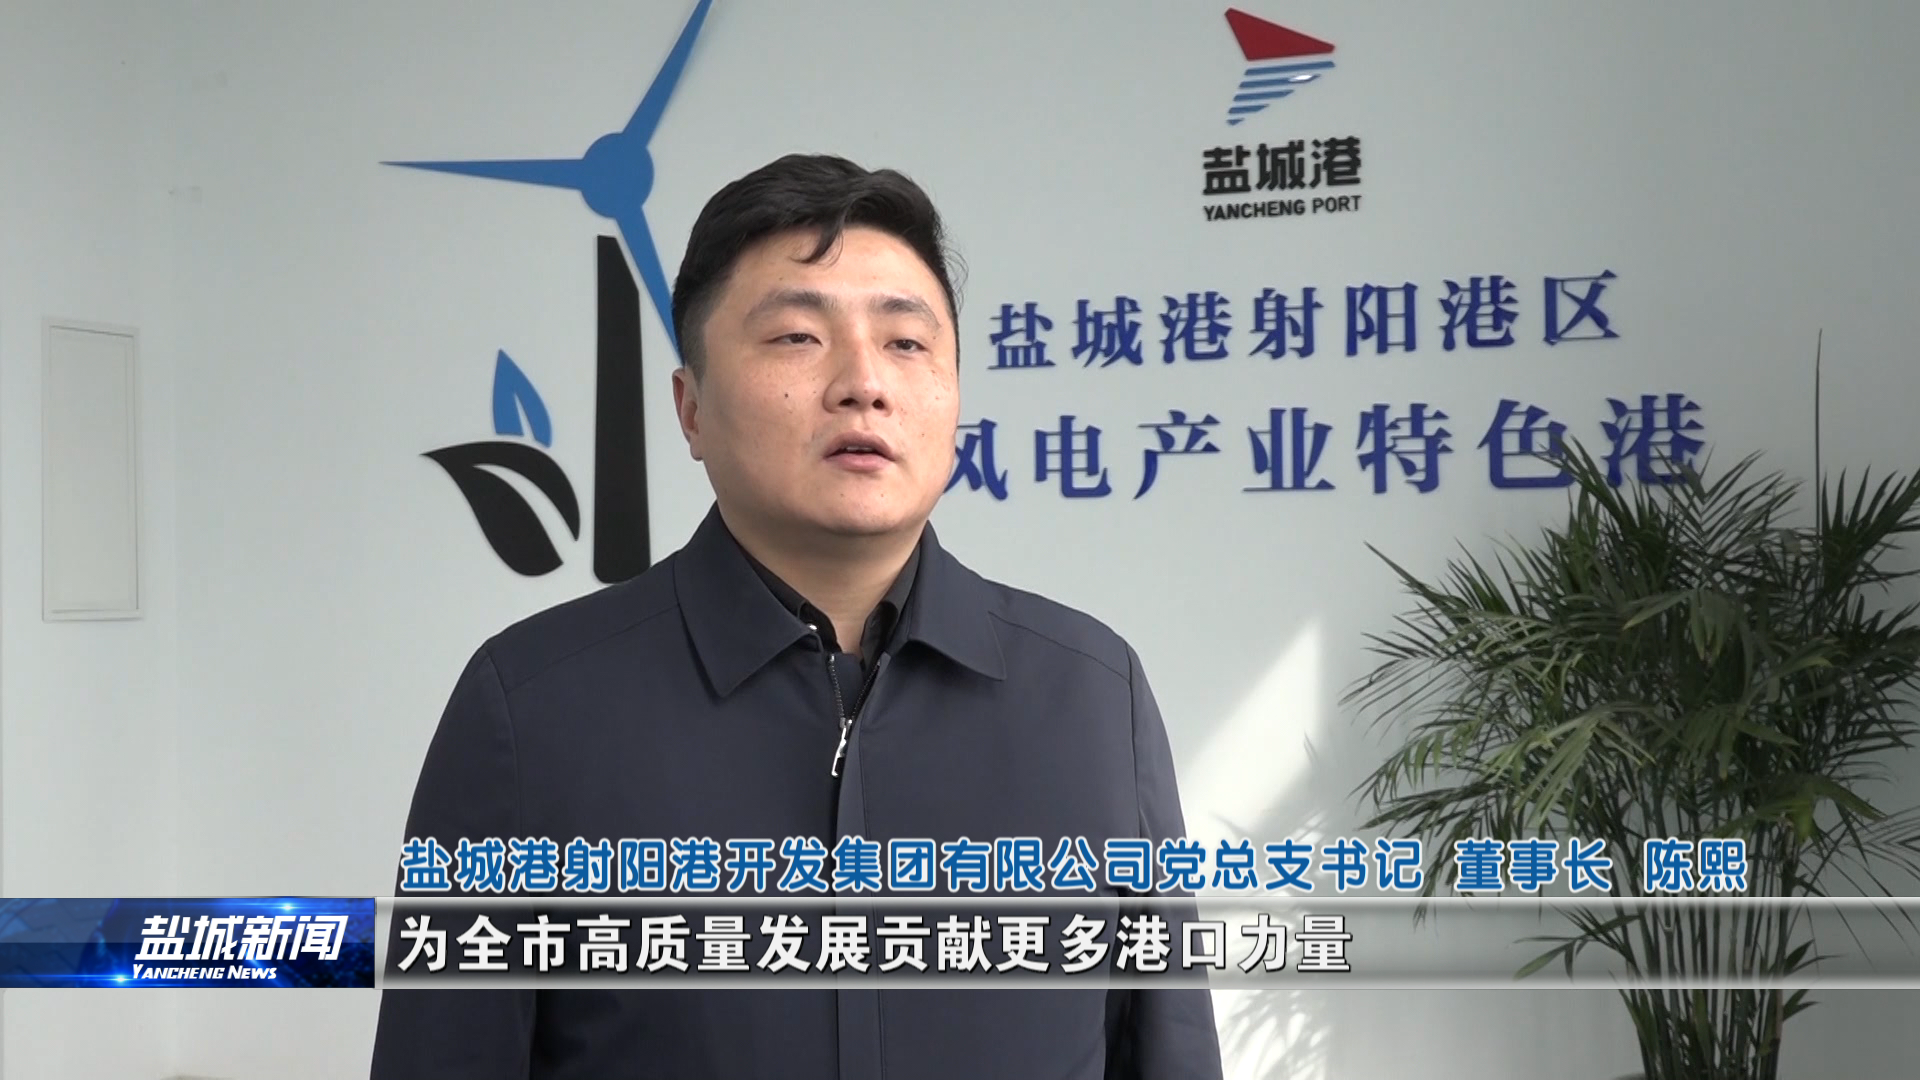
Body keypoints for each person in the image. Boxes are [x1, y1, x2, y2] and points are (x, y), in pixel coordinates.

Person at [369, 153, 1225, 1080]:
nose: (865, 383)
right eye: (796, 337)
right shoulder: (531, 708)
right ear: (691, 410)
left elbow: (1168, 1052)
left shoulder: (1093, 696)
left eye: (907, 342)